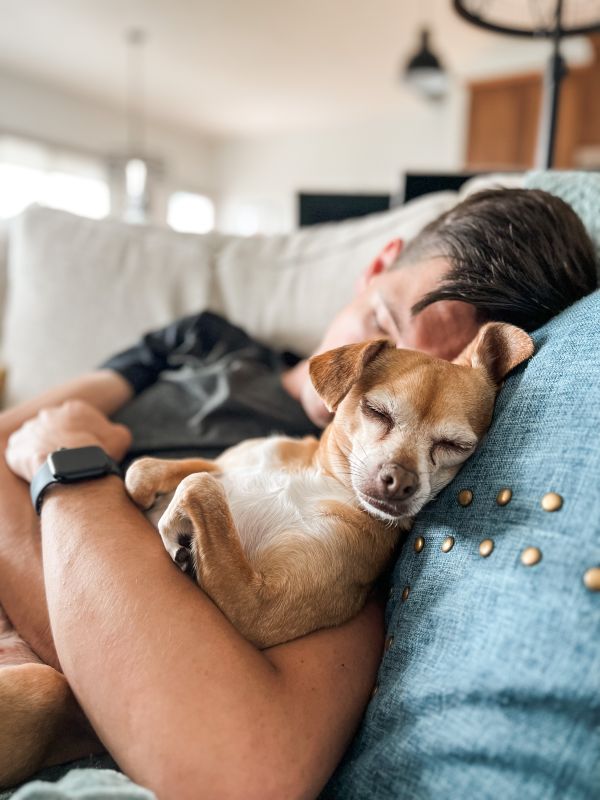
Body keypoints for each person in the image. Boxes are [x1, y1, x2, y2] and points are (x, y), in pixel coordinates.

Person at [0, 188, 596, 800]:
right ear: (377, 266)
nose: (397, 390)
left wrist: (68, 465)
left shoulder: (350, 520)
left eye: (438, 382)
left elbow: (242, 767)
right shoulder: (203, 339)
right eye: (388, 324)